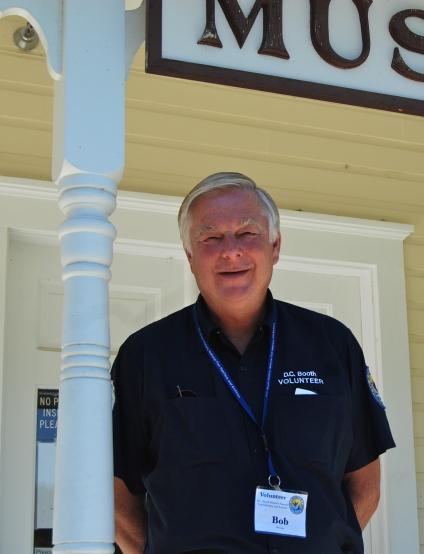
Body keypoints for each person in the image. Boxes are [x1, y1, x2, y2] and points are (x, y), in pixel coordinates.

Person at [112, 172, 395, 553]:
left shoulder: (332, 344)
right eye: (211, 237)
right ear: (190, 255)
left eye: (247, 234)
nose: (231, 250)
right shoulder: (146, 356)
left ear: (275, 246)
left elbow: (365, 484)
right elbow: (116, 499)